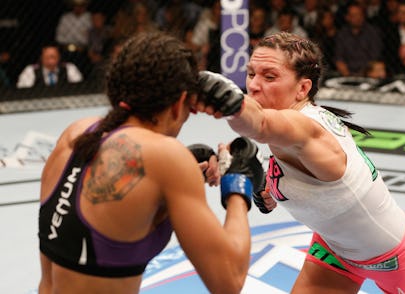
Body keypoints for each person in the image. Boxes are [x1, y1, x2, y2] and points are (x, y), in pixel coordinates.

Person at [197, 31, 405, 294]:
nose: (254, 85)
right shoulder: (287, 125)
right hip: (335, 252)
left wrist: (223, 97)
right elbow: (287, 179)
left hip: (398, 259)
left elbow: (259, 124)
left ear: (303, 88)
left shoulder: (305, 127)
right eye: (252, 73)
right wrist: (255, 180)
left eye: (270, 77)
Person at [38, 31, 264, 294]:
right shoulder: (165, 158)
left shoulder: (77, 132)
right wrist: (239, 181)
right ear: (180, 102)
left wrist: (177, 176)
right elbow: (229, 281)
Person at [16, 43, 83, 89]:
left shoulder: (69, 68)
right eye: (47, 57)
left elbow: (79, 87)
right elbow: (23, 90)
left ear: (59, 57)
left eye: (53, 56)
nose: (50, 60)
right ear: (41, 57)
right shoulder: (31, 70)